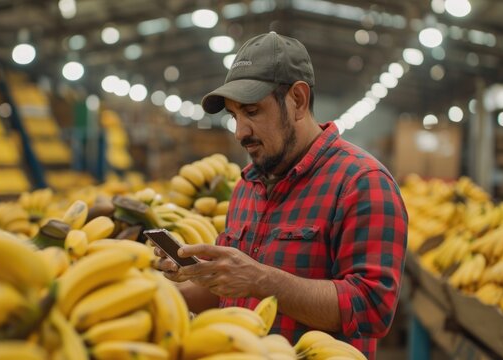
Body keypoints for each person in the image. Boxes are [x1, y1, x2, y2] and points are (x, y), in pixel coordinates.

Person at [154, 31, 408, 359]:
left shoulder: (362, 183)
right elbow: (229, 292)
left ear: (298, 100)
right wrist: (166, 290)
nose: (239, 132)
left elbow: (373, 309)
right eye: (234, 116)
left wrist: (262, 280)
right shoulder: (247, 185)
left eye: (252, 111)